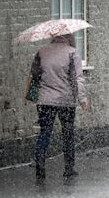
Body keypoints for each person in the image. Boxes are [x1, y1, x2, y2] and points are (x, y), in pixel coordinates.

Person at [31, 33, 90, 186]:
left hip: (45, 100)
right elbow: (78, 78)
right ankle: (69, 169)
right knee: (68, 133)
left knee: (44, 133)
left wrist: (33, 96)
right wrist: (83, 100)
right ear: (69, 38)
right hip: (65, 101)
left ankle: (40, 168)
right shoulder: (72, 53)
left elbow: (34, 75)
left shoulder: (42, 51)